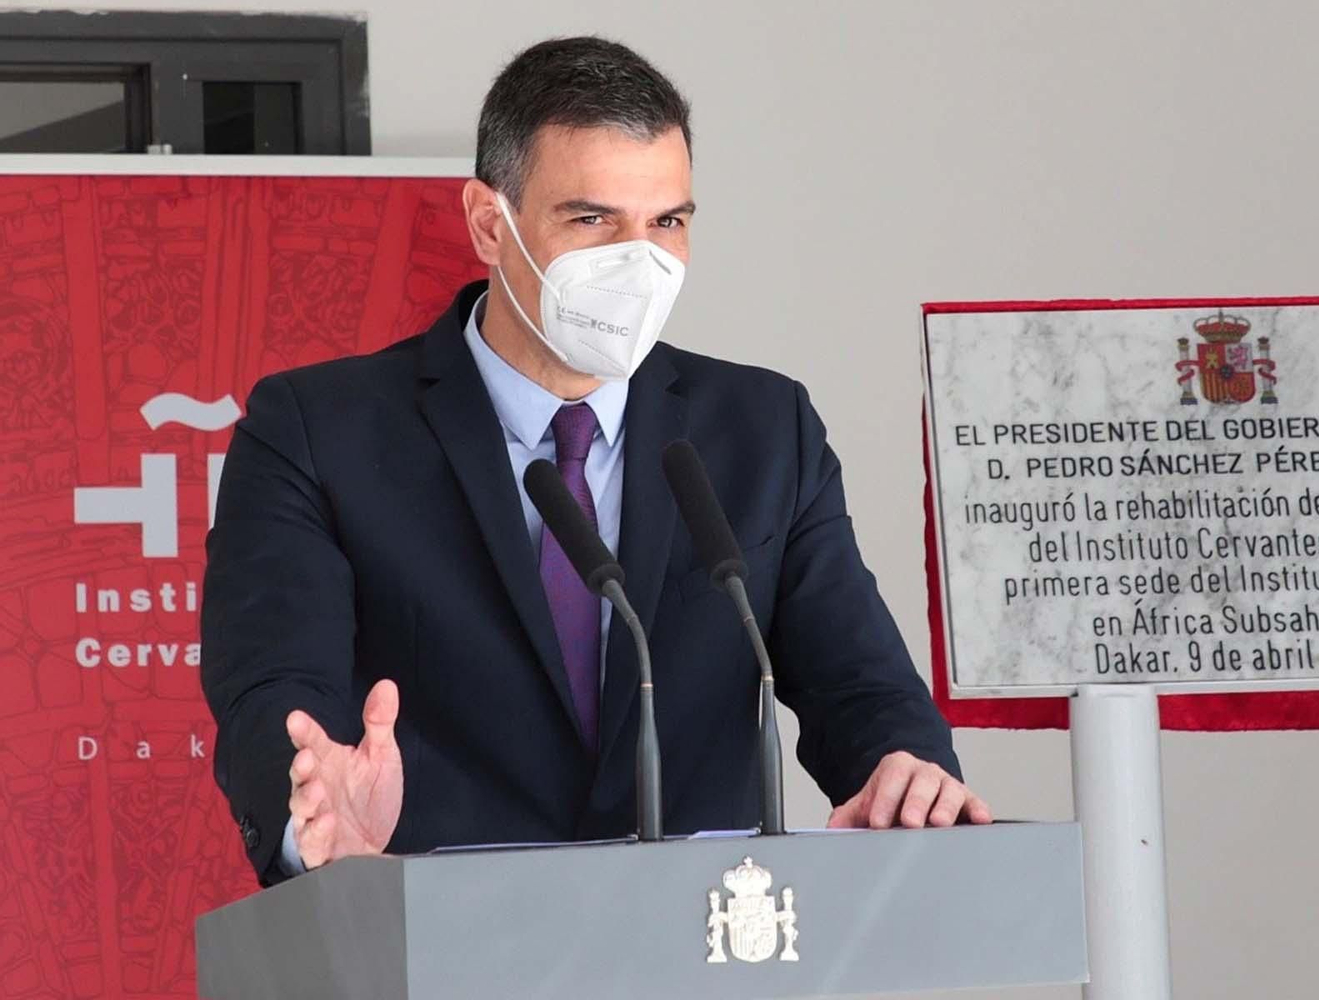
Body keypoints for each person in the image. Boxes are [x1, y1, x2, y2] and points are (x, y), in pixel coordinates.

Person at [201, 35, 989, 886]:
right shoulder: (318, 431)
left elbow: (860, 683)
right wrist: (314, 816)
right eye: (592, 219)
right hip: (435, 937)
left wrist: (905, 769)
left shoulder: (763, 430)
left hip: (699, 942)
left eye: (668, 223)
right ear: (487, 224)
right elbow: (274, 689)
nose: (638, 262)